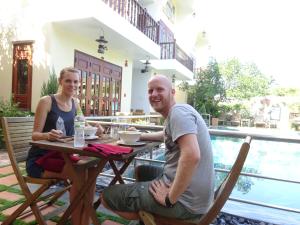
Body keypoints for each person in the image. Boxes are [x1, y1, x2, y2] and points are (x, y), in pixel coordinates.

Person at [101, 74, 214, 221]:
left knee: (107, 196)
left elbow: (192, 155)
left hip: (185, 203)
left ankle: (156, 219)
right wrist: (139, 135)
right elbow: (165, 134)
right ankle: (149, 213)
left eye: (160, 89)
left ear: (172, 92)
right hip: (197, 198)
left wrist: (170, 198)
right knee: (141, 171)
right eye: (150, 91)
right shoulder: (177, 113)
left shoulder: (178, 113)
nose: (154, 94)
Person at [26, 67, 104, 225]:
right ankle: (78, 222)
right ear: (60, 81)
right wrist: (47, 135)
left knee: (91, 170)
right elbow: (34, 135)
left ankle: (84, 220)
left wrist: (97, 128)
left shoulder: (75, 103)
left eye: (76, 81)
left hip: (63, 156)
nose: (72, 84)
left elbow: (84, 124)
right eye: (68, 80)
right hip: (40, 159)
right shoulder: (47, 101)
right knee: (80, 173)